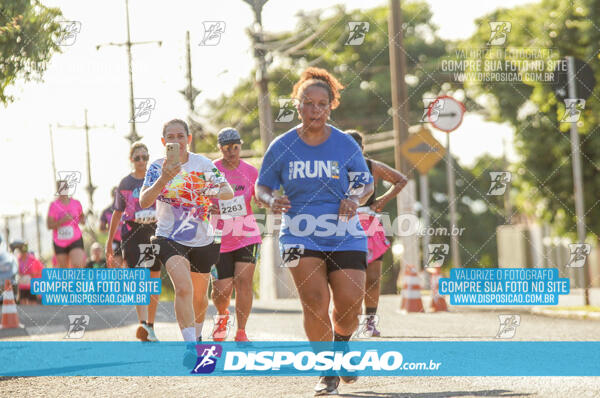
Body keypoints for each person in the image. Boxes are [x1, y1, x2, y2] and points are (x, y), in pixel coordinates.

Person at [255, 67, 374, 395]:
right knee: (314, 301)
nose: (316, 110)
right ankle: (326, 370)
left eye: (323, 104)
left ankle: (341, 345)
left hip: (344, 232)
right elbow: (262, 187)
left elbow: (366, 182)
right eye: (309, 103)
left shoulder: (345, 144)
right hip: (298, 233)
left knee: (350, 305)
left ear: (331, 106)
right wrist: (271, 200)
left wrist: (353, 197)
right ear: (298, 105)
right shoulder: (282, 146)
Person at [139, 119, 233, 363]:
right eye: (170, 137)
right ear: (163, 142)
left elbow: (227, 191)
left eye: (180, 136)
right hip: (168, 235)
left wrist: (204, 189)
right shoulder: (157, 166)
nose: (176, 141)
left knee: (200, 296)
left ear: (188, 139)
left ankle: (198, 337)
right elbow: (144, 202)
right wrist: (163, 179)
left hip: (201, 237)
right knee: (183, 287)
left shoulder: (203, 164)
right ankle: (190, 347)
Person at [347, 130, 407, 337]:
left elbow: (401, 180)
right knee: (348, 277)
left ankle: (369, 322)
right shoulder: (334, 168)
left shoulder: (371, 166)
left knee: (372, 277)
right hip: (339, 225)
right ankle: (346, 320)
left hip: (370, 223)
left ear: (362, 149)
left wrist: (381, 201)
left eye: (356, 148)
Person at [209, 127, 262, 343]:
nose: (232, 152)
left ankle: (241, 332)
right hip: (220, 238)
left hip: (247, 234)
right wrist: (209, 208)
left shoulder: (250, 171)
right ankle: (222, 316)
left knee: (244, 283)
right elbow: (201, 199)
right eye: (227, 148)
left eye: (235, 147)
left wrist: (262, 199)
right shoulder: (211, 171)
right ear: (220, 149)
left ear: (240, 146)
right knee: (221, 291)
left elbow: (258, 195)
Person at [106, 141, 160, 342]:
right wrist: (109, 243)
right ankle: (143, 323)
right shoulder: (125, 184)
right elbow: (117, 213)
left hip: (152, 231)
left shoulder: (156, 179)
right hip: (132, 233)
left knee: (153, 277)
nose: (141, 161)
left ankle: (151, 325)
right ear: (131, 160)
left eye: (145, 157)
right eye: (137, 157)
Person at [47, 179, 86, 268]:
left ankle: (78, 282)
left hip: (75, 239)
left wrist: (83, 220)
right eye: (61, 188)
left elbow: (82, 217)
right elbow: (49, 225)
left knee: (77, 266)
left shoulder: (76, 203)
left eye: (65, 187)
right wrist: (62, 221)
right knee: (64, 271)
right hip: (60, 242)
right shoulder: (54, 205)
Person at [100, 188, 123, 268]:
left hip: (127, 239)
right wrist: (112, 229)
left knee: (128, 267)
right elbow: (101, 229)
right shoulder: (106, 211)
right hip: (114, 241)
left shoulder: (126, 208)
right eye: (115, 195)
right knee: (115, 267)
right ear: (112, 196)